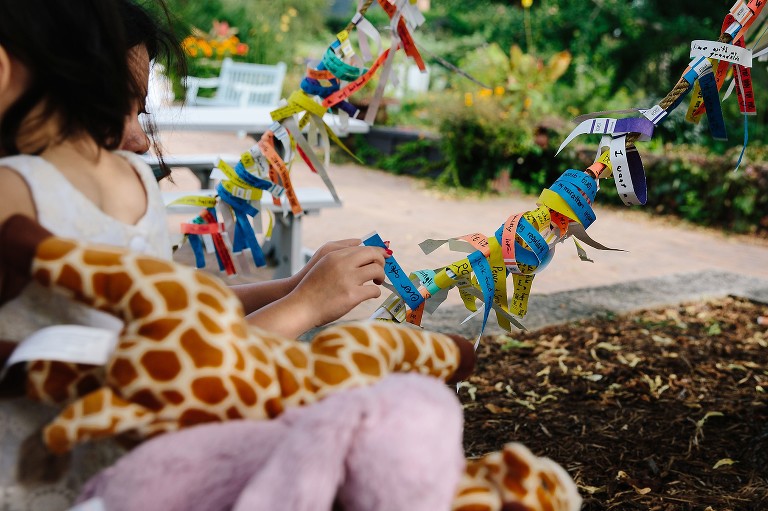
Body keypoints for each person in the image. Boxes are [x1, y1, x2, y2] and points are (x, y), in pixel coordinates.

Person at [0, 1, 387, 508]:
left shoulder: (38, 187)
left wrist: (294, 288)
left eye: (140, 109)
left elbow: (168, 331)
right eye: (114, 104)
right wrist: (303, 305)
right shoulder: (117, 181)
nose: (140, 139)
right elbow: (180, 364)